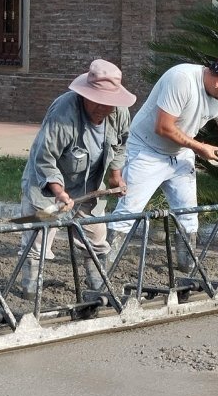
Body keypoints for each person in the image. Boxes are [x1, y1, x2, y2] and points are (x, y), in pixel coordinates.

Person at [107, 55, 218, 271]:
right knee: (128, 211)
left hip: (181, 153)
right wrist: (200, 148)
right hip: (147, 150)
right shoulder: (182, 79)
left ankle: (188, 268)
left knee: (188, 215)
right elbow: (163, 127)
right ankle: (103, 268)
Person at [18, 59, 135, 299]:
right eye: (97, 101)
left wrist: (115, 175)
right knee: (38, 237)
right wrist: (59, 192)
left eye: (108, 103)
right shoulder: (64, 113)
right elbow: (45, 158)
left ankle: (98, 286)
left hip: (89, 184)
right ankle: (30, 291)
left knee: (96, 237)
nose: (103, 107)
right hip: (46, 185)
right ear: (85, 95)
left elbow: (121, 144)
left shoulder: (120, 113)